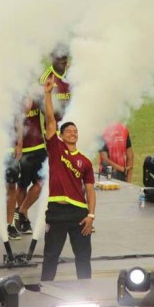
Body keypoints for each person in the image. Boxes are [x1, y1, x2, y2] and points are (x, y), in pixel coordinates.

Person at [41, 76, 96, 282]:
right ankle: (45, 288)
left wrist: (91, 216)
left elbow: (90, 190)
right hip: (56, 211)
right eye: (69, 131)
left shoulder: (85, 161)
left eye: (75, 131)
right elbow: (50, 122)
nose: (73, 133)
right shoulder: (56, 149)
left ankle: (86, 291)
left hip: (79, 214)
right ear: (61, 136)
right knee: (50, 256)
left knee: (83, 257)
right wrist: (47, 94)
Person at [14, 97, 46, 234]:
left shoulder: (38, 95)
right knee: (22, 185)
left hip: (39, 146)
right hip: (24, 150)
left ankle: (21, 211)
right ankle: (25, 221)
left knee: (41, 183)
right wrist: (19, 145)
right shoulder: (17, 96)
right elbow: (20, 119)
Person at [39, 46, 70, 122]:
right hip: (53, 129)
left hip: (71, 126)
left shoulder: (72, 75)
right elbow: (42, 108)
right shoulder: (45, 78)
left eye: (64, 57)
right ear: (52, 57)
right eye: (58, 58)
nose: (61, 61)